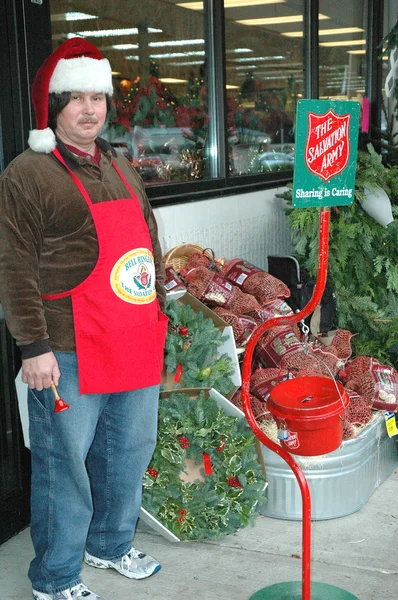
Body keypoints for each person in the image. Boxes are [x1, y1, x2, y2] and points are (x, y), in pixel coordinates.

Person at [0, 38, 168, 600]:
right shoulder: (28, 172)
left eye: (98, 97)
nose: (90, 109)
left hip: (134, 337)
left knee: (129, 451)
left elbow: (148, 238)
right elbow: (13, 264)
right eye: (77, 98)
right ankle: (54, 578)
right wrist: (32, 346)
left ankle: (111, 543)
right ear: (54, 106)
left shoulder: (119, 164)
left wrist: (160, 313)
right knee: (63, 468)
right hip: (66, 347)